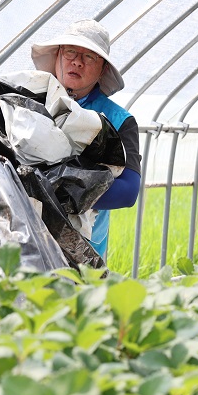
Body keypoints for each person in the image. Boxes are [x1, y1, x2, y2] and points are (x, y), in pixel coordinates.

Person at [31, 19, 141, 260]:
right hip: (25, 240)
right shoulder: (29, 102)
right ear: (58, 56)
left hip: (80, 250)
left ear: (103, 69)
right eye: (71, 51)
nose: (77, 61)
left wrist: (58, 189)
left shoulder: (118, 120)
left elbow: (128, 191)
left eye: (90, 57)